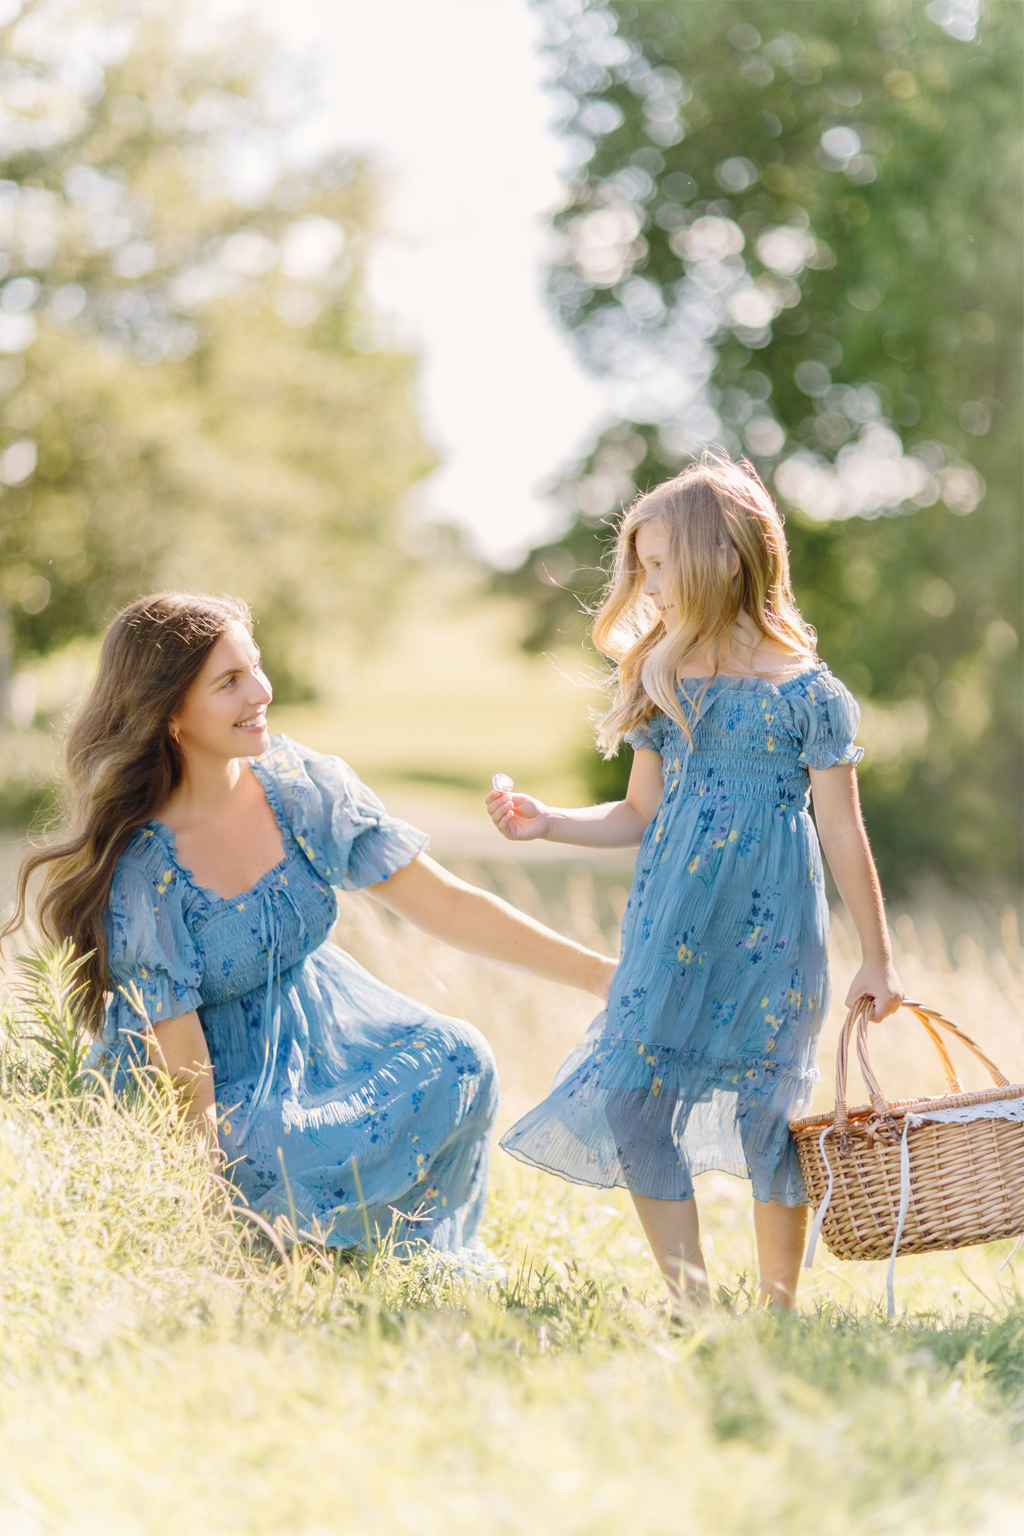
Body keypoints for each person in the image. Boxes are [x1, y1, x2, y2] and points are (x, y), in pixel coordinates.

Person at [6, 592, 616, 1261]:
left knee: (459, 1057)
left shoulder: (302, 789)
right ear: (172, 713)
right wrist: (197, 1203)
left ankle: (398, 1252)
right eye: (229, 682)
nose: (260, 692)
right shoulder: (146, 868)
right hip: (209, 1073)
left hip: (321, 1036)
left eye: (255, 667)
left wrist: (598, 976)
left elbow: (450, 905)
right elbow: (183, 1066)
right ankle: (275, 1253)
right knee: (270, 1153)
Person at [486, 453, 903, 1309]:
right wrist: (550, 822)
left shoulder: (810, 696)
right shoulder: (660, 676)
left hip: (771, 931)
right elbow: (636, 814)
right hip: (670, 926)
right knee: (634, 1097)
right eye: (640, 565)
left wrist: (879, 959)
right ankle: (692, 1303)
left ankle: (778, 1309)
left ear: (721, 556)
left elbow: (841, 828)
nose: (647, 583)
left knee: (768, 1115)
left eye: (661, 562)